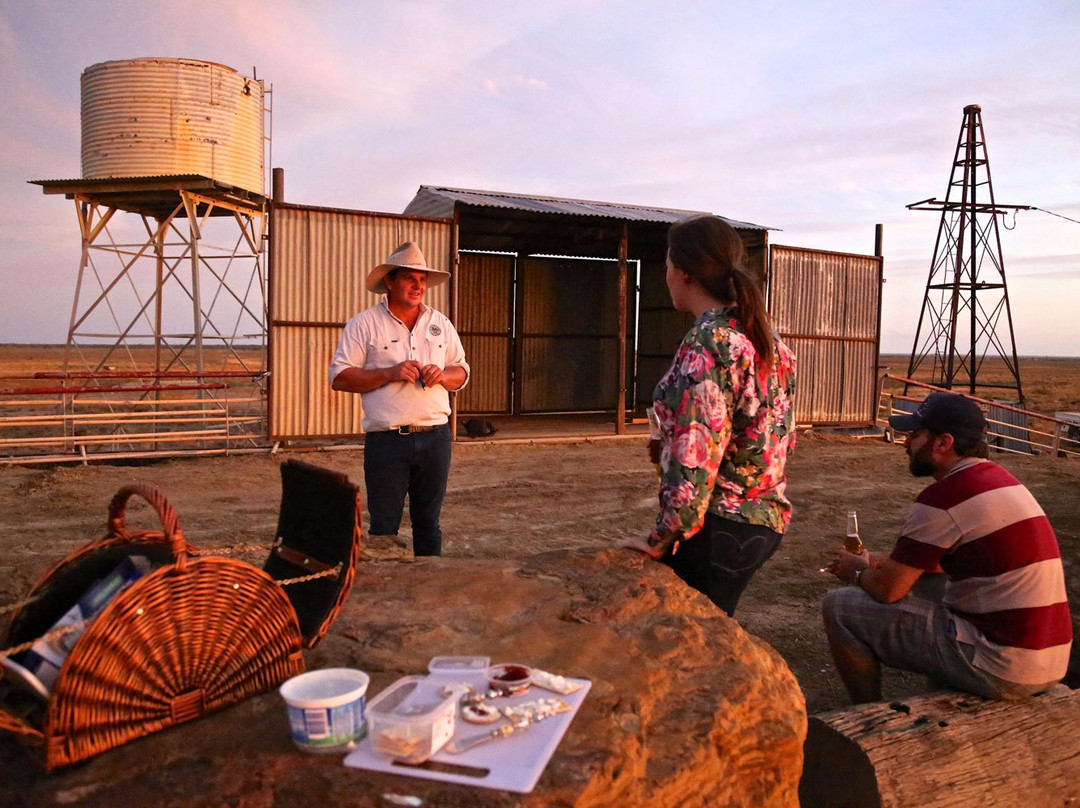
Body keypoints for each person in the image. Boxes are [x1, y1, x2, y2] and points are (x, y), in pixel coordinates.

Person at [823, 391, 1073, 703]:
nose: (905, 444)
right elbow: (941, 564)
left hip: (1005, 667)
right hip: (1049, 658)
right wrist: (877, 559)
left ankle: (866, 717)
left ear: (943, 443)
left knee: (840, 607)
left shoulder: (944, 497)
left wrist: (857, 571)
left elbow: (889, 591)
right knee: (933, 581)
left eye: (915, 435)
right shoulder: (1000, 480)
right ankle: (944, 686)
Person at [622, 215, 797, 616]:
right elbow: (774, 436)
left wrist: (662, 536)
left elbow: (696, 455)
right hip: (761, 522)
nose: (664, 274)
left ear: (683, 273)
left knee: (678, 646)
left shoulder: (709, 342)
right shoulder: (766, 339)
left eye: (666, 265)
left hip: (714, 528)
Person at [329, 242, 470, 557]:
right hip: (388, 442)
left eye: (422, 280)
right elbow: (339, 377)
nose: (418, 286)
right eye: (410, 278)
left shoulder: (440, 325)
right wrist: (389, 373)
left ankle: (429, 594)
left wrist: (443, 376)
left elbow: (462, 371)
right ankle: (387, 599)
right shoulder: (364, 324)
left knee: (428, 525)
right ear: (390, 282)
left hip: (436, 438)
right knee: (384, 529)